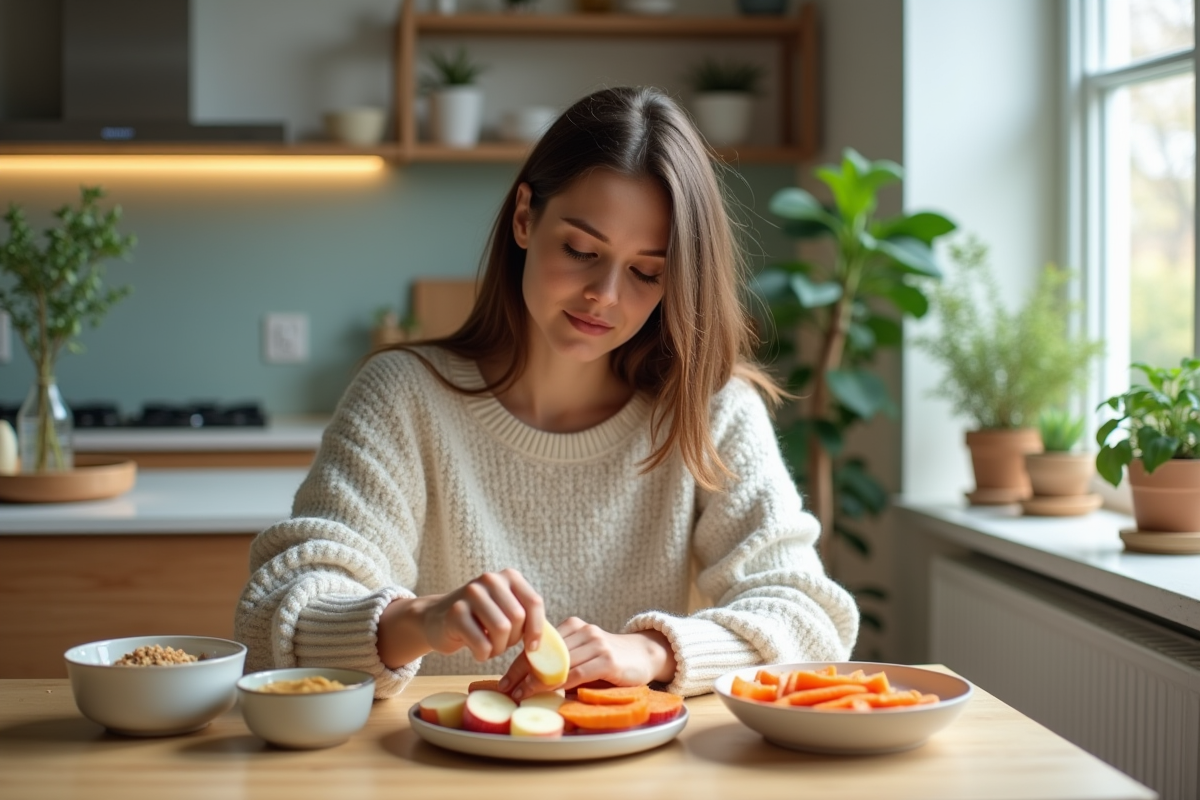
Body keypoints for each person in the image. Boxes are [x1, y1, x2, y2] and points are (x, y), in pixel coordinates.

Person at [235, 86, 858, 700]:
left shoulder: (709, 409)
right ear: (525, 217)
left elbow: (812, 619)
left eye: (647, 272)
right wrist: (418, 620)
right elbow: (276, 621)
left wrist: (652, 651)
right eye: (582, 250)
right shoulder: (403, 397)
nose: (605, 295)